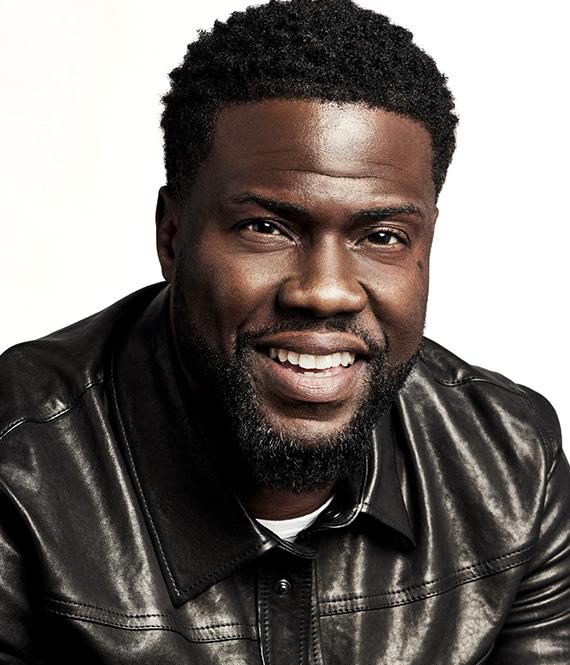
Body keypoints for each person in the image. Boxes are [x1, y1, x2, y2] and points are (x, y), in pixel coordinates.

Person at [1, 0, 568, 661]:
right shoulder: (19, 470)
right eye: (265, 227)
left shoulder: (511, 467)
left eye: (383, 235)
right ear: (172, 235)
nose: (324, 291)